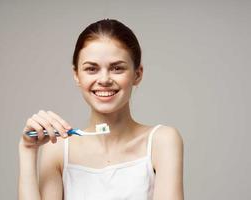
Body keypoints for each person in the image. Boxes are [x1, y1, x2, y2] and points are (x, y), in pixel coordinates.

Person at [18, 19, 184, 200]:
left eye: (117, 68)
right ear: (76, 76)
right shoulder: (57, 149)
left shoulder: (162, 141)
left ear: (137, 74)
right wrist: (27, 150)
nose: (104, 79)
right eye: (91, 69)